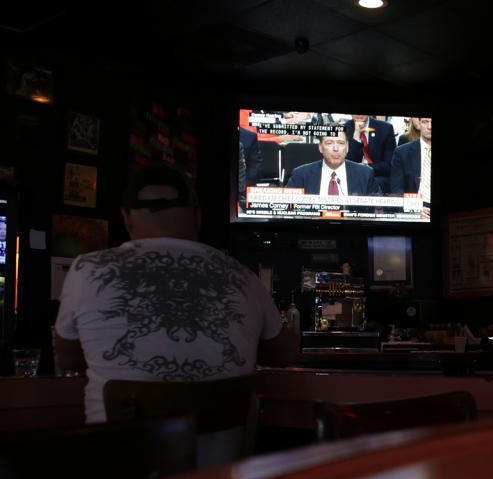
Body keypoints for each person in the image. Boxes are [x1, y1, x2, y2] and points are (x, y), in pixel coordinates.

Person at [53, 164, 299, 423]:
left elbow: (68, 358)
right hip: (225, 461)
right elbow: (283, 354)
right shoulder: (243, 275)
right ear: (197, 216)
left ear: (126, 217)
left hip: (121, 457)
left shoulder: (87, 269)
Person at [285, 129, 381, 195]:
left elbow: (378, 210)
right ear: (320, 147)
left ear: (347, 147)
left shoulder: (365, 174)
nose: (336, 149)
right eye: (329, 143)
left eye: (341, 143)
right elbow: (288, 207)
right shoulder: (301, 175)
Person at [344, 115, 396, 193]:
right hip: (352, 177)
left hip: (377, 176)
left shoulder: (385, 128)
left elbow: (389, 165)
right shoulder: (343, 129)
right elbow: (347, 162)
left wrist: (366, 168)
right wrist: (356, 136)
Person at [390, 117, 431, 202]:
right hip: (413, 205)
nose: (430, 126)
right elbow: (397, 190)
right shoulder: (402, 153)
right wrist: (413, 207)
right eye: (425, 122)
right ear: (419, 124)